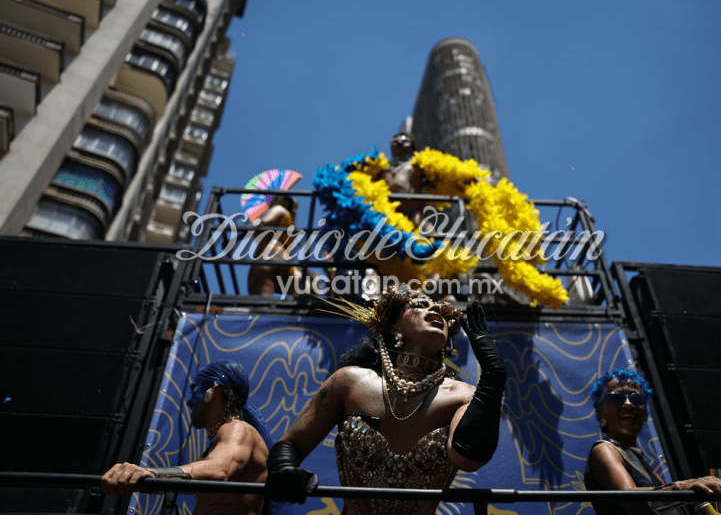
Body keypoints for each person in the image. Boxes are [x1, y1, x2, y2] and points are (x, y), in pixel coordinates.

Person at [263, 283, 507, 515]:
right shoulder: (348, 382)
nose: (435, 309)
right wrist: (284, 467)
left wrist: (493, 375)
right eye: (420, 304)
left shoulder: (463, 396)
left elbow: (466, 458)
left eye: (442, 311)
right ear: (394, 327)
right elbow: (291, 444)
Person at [101, 360, 277, 515]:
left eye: (195, 388)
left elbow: (220, 468)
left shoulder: (239, 428)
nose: (189, 401)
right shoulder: (223, 441)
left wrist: (152, 474)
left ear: (213, 391)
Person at [584, 369, 721, 515]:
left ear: (646, 413)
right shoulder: (604, 450)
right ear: (600, 412)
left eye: (637, 398)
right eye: (617, 398)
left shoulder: (639, 461)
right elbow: (633, 502)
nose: (628, 404)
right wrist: (684, 487)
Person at [247, 196, 299, 296]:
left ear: (284, 202)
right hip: (286, 262)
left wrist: (255, 223)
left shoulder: (279, 209)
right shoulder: (290, 223)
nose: (269, 203)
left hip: (268, 255)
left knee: (260, 302)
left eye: (274, 200)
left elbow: (262, 226)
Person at [375, 132, 428, 230]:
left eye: (405, 141)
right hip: (388, 216)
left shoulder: (422, 164)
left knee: (432, 240)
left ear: (412, 148)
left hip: (415, 214)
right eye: (395, 141)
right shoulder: (380, 169)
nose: (399, 142)